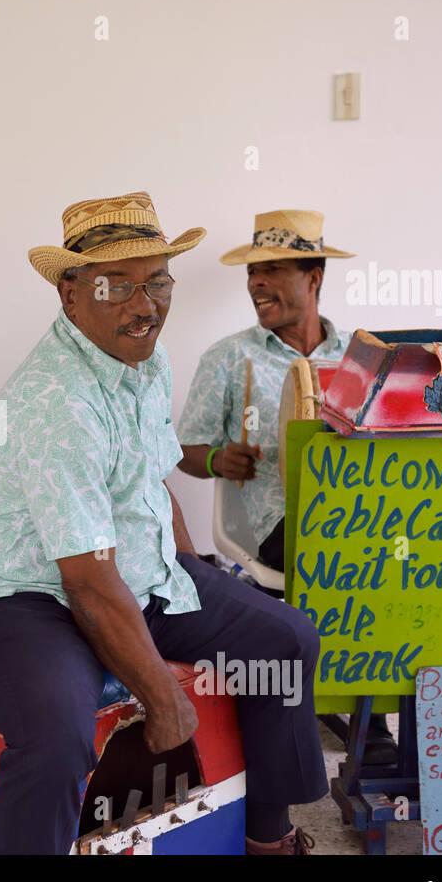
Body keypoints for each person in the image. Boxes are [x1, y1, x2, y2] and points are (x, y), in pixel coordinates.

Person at [0, 192, 327, 854]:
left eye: (156, 282)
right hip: (24, 595)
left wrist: (193, 570)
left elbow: (153, 480)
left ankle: (267, 837)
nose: (142, 304)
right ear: (70, 293)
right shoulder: (55, 397)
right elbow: (87, 585)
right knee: (58, 738)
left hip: (133, 573)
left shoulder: (147, 357)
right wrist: (163, 697)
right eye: (116, 284)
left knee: (285, 639)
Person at [176, 210, 396, 764]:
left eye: (272, 270)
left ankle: (373, 702)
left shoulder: (363, 357)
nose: (256, 283)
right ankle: (358, 716)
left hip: (353, 519)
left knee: (403, 547)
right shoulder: (229, 358)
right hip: (269, 527)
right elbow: (182, 453)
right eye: (253, 273)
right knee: (368, 558)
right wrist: (219, 460)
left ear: (313, 277)